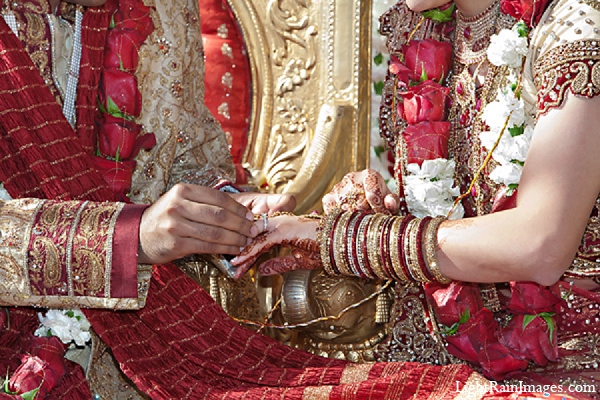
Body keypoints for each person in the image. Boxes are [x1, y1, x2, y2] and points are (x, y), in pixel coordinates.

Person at [0, 0, 518, 398]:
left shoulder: (161, 9)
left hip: (141, 356)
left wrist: (233, 210)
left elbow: (190, 155)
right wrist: (131, 237)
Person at [233, 0, 600, 396]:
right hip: (444, 354)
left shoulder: (574, 29)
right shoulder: (427, 31)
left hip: (571, 364)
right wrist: (378, 205)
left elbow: (540, 246)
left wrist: (344, 239)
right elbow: (454, 207)